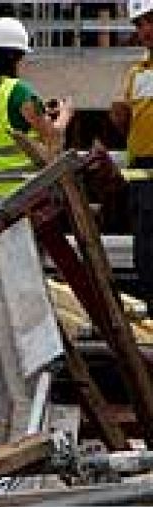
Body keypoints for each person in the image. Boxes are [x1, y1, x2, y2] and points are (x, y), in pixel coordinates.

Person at [0, 17, 71, 199]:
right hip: (23, 198)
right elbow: (54, 140)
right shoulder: (18, 92)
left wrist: (41, 113)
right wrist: (65, 114)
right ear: (13, 56)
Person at [113, 0, 153, 303]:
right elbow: (130, 128)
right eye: (139, 24)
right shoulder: (136, 74)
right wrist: (121, 119)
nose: (145, 30)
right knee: (146, 254)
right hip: (142, 174)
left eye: (150, 20)